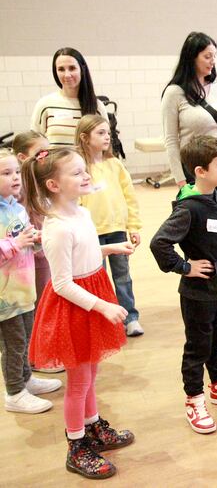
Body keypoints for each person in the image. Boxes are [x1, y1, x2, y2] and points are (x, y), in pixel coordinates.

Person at [23, 148, 135, 479]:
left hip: (92, 294)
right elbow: (61, 283)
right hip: (76, 305)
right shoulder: (56, 228)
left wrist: (109, 249)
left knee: (92, 373)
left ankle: (92, 425)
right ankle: (76, 445)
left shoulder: (81, 214)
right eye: (76, 173)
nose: (86, 175)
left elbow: (83, 252)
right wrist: (102, 305)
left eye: (84, 170)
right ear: (54, 185)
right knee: (79, 380)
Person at [150, 135, 217, 435]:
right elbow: (159, 244)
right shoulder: (188, 209)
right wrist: (185, 267)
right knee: (197, 348)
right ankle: (194, 399)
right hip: (199, 294)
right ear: (200, 171)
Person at [162, 31, 217, 312]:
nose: (212, 62)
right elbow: (171, 139)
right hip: (196, 171)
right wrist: (180, 179)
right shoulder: (175, 93)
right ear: (193, 57)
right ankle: (204, 280)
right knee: (203, 230)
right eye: (207, 56)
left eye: (214, 56)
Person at [0, 149, 62, 415]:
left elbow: (22, 242)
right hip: (6, 294)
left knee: (26, 337)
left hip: (24, 288)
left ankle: (26, 379)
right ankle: (14, 392)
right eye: (6, 173)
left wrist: (34, 241)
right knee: (13, 344)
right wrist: (17, 243)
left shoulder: (16, 207)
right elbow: (11, 244)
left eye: (16, 171)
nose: (15, 177)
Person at [75, 116, 144, 337]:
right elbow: (74, 201)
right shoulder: (79, 168)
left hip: (117, 230)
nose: (107, 137)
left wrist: (133, 226)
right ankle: (104, 319)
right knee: (98, 278)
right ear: (85, 138)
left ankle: (130, 317)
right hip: (91, 234)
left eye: (108, 133)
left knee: (123, 275)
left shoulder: (115, 165)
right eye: (101, 133)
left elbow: (130, 197)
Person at [11, 132, 63, 374]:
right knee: (39, 305)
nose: (45, 157)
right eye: (40, 153)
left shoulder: (39, 180)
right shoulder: (18, 189)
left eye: (47, 152)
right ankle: (37, 357)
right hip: (32, 257)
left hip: (45, 253)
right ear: (22, 157)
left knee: (47, 303)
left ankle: (43, 352)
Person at [31, 48, 109, 146]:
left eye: (72, 68)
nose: (67, 75)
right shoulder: (44, 104)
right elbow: (34, 144)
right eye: (61, 69)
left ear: (82, 69)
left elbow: (105, 146)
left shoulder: (97, 106)